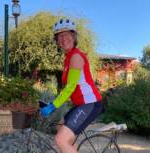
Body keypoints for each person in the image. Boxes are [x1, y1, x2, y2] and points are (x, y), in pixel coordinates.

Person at [40, 18, 103, 153]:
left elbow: (70, 87)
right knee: (61, 131)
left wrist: (53, 105)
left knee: (60, 140)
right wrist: (52, 103)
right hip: (81, 104)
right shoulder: (68, 58)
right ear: (57, 41)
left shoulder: (75, 57)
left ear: (74, 37)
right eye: (60, 36)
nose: (63, 39)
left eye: (67, 35)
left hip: (89, 104)